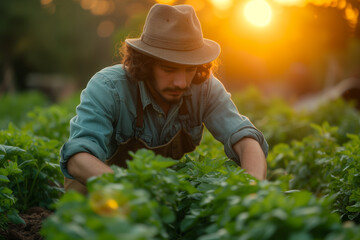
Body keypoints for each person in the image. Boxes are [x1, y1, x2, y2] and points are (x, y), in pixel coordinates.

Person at [60, 3, 268, 195]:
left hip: (158, 193)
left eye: (189, 69)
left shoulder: (203, 88)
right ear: (145, 62)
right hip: (97, 193)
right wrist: (127, 192)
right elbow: (78, 158)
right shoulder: (109, 88)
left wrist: (251, 190)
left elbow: (245, 140)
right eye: (169, 69)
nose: (181, 82)